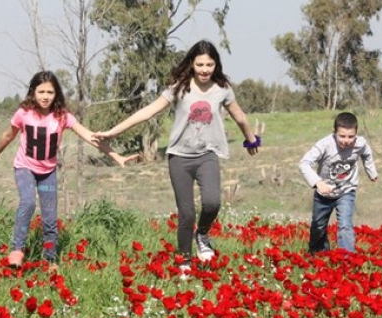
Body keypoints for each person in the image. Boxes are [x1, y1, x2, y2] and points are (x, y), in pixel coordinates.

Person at [93, 40, 260, 272]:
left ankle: (202, 235)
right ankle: (184, 261)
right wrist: (113, 132)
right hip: (179, 158)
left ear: (216, 65)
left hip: (207, 155)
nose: (204, 69)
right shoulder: (179, 87)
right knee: (187, 214)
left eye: (209, 64)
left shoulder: (222, 89)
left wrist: (251, 139)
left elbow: (240, 116)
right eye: (200, 64)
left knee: (212, 202)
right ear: (191, 63)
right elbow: (147, 112)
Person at [0, 70, 136, 269]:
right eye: (41, 92)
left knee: (49, 218)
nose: (45, 97)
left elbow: (90, 137)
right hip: (25, 168)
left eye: (50, 92)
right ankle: (17, 249)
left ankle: (50, 258)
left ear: (56, 94)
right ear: (33, 92)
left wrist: (116, 156)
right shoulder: (24, 113)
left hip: (47, 174)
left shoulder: (62, 116)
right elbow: (7, 135)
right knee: (28, 203)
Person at [298, 112, 378, 254]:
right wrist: (318, 183)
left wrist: (372, 172)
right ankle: (319, 255)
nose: (346, 140)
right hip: (323, 194)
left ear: (356, 134)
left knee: (345, 225)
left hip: (346, 191)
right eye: (342, 136)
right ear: (334, 132)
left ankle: (346, 260)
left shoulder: (361, 143)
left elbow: (367, 154)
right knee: (318, 226)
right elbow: (304, 163)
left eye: (351, 136)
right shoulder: (324, 144)